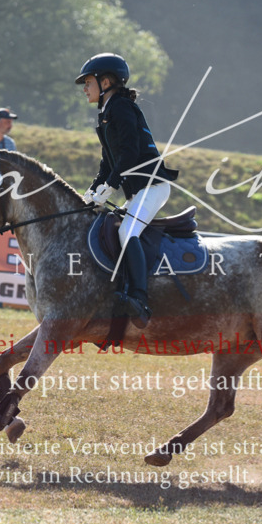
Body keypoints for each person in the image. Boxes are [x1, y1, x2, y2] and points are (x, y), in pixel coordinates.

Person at [76, 52, 178, 328]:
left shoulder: (120, 108)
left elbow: (129, 154)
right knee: (109, 226)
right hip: (138, 191)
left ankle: (140, 299)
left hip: (153, 186)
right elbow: (107, 161)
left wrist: (110, 186)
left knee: (126, 231)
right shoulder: (107, 113)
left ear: (105, 82)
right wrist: (93, 189)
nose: (85, 88)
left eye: (88, 82)